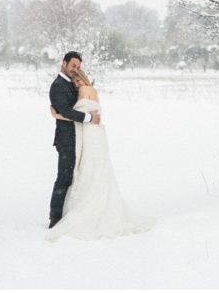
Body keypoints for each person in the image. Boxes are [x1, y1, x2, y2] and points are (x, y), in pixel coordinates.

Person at [46, 62, 154, 241]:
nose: (77, 84)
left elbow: (73, 113)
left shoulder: (83, 91)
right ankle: (93, 204)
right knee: (93, 168)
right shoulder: (90, 91)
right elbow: (82, 114)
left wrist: (57, 115)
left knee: (90, 168)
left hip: (90, 133)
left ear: (84, 77)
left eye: (79, 80)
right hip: (92, 133)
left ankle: (85, 208)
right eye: (75, 82)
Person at [48, 51, 101, 229]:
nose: (75, 70)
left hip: (80, 138)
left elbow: (65, 111)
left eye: (78, 67)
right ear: (63, 63)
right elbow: (66, 110)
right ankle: (55, 217)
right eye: (72, 66)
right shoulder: (57, 86)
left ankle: (72, 212)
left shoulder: (74, 84)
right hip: (66, 140)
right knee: (64, 177)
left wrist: (59, 115)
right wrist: (87, 118)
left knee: (76, 177)